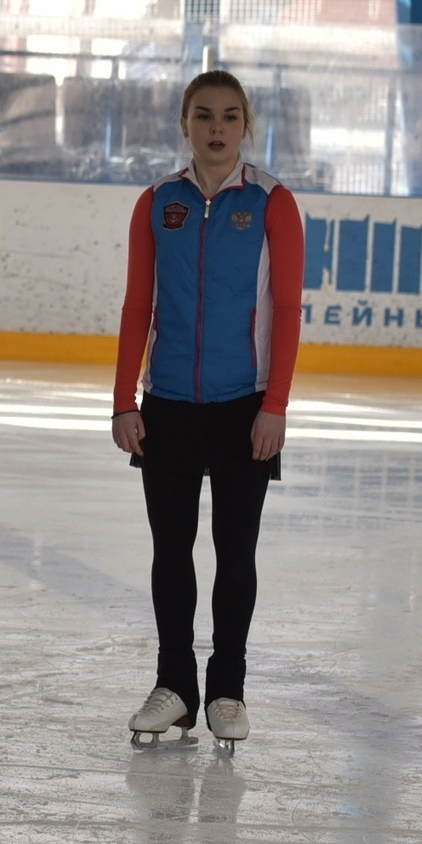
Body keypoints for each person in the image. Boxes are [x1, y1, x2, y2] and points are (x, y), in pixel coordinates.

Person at [112, 71, 302, 751]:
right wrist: (123, 401)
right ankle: (175, 687)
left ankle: (226, 689)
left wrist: (274, 405)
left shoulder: (273, 202)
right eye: (203, 115)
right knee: (171, 552)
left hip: (243, 406)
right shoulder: (157, 201)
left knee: (234, 553)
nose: (216, 128)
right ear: (185, 124)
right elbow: (138, 306)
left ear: (245, 124)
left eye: (228, 116)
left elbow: (286, 311)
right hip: (166, 405)